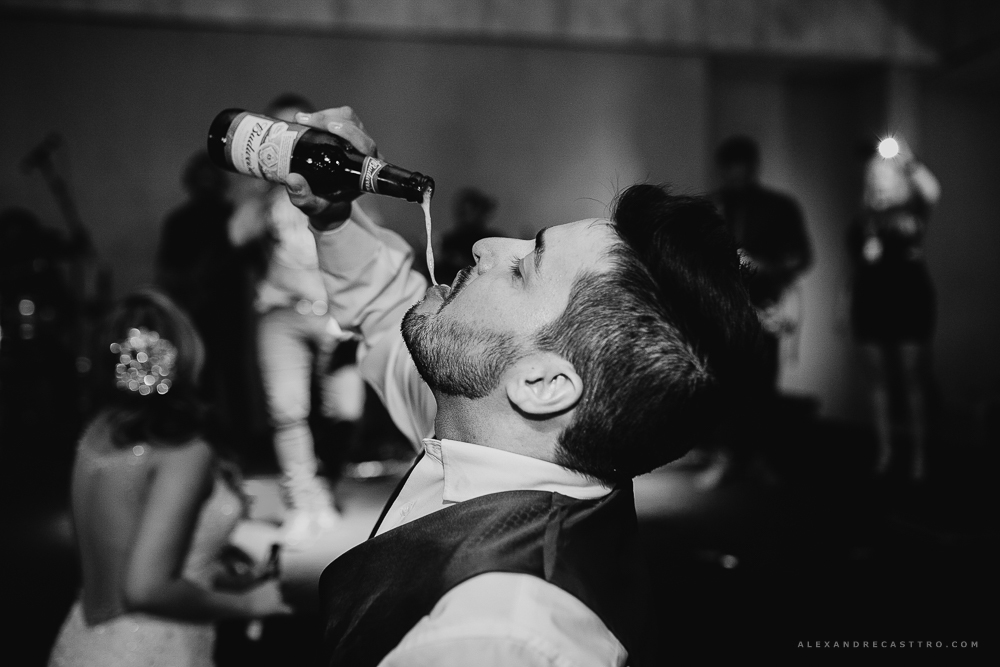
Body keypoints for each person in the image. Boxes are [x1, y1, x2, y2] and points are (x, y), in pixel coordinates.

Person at [284, 106, 761, 666]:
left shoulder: (495, 637)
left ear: (541, 384)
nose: (488, 245)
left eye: (523, 267)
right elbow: (392, 311)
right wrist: (335, 217)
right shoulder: (501, 433)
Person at [48, 289, 290, 667]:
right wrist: (246, 604)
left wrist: (217, 572)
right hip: (149, 650)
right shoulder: (185, 453)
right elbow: (144, 588)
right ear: (185, 353)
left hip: (83, 643)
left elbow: (123, 544)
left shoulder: (96, 433)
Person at [228, 93, 365, 548]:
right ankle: (305, 500)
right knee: (288, 411)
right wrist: (264, 182)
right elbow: (236, 233)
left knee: (346, 410)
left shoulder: (332, 177)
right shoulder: (263, 192)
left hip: (335, 314)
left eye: (295, 130)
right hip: (281, 314)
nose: (287, 139)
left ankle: (324, 485)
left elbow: (370, 237)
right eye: (277, 129)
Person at [155, 151, 268, 456]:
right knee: (201, 380)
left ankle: (237, 448)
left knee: (232, 379)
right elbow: (168, 271)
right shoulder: (181, 222)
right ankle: (206, 447)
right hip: (195, 312)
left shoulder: (232, 216)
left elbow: (256, 262)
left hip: (227, 311)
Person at [848, 137, 940, 482]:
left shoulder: (913, 212)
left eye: (885, 174)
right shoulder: (863, 218)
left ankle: (919, 454)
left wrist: (906, 157)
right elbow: (854, 267)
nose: (878, 180)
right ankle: (885, 451)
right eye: (874, 176)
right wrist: (844, 308)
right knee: (878, 379)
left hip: (909, 296)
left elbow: (932, 190)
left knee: (912, 375)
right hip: (870, 297)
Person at [712, 135, 812, 390]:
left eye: (739, 167)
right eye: (728, 169)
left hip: (764, 307)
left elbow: (801, 256)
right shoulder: (711, 206)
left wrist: (764, 266)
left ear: (752, 166)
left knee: (760, 388)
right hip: (719, 310)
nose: (733, 176)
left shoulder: (779, 207)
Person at [436, 187, 501, 285]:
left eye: (471, 210)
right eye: (464, 211)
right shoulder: (449, 240)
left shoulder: (493, 240)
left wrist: (462, 263)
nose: (466, 215)